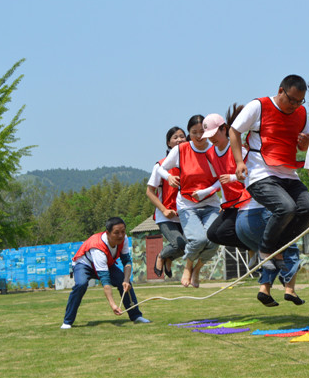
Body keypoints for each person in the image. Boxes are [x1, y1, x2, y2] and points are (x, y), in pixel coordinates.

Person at [230, 75, 309, 270]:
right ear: (280, 91)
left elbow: (304, 144)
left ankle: (279, 246)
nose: (294, 105)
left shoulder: (301, 113)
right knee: (286, 207)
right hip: (261, 174)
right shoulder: (259, 106)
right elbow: (234, 131)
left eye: (299, 101)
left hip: (288, 174)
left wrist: (305, 144)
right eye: (291, 100)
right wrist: (238, 162)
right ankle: (265, 249)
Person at [160, 115, 221, 288]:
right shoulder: (181, 150)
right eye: (194, 132)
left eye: (202, 131)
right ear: (189, 133)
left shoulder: (214, 150)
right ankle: (188, 267)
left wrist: (205, 192)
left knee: (214, 240)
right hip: (187, 205)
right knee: (199, 240)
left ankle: (197, 269)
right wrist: (169, 177)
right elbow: (160, 168)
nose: (199, 135)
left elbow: (221, 178)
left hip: (210, 204)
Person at [61, 217, 150, 329]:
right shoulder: (97, 247)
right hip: (84, 265)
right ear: (108, 233)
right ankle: (67, 321)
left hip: (107, 264)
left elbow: (126, 261)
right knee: (81, 285)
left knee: (126, 284)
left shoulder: (124, 239)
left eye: (123, 232)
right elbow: (105, 280)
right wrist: (113, 305)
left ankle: (136, 316)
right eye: (116, 233)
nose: (121, 235)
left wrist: (126, 280)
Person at [235, 198, 305, 307]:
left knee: (271, 256)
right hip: (259, 214)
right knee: (290, 249)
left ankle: (264, 291)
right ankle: (290, 290)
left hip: (240, 220)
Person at [204, 106, 252, 252]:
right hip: (229, 203)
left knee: (223, 232)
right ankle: (253, 247)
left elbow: (252, 176)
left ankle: (258, 247)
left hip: (245, 201)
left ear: (224, 129)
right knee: (212, 234)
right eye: (208, 136)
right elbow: (221, 181)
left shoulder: (238, 149)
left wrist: (232, 177)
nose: (211, 139)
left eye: (214, 134)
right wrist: (222, 203)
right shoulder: (210, 154)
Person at [145, 126, 188, 279]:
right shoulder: (161, 165)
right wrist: (163, 210)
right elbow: (149, 192)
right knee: (180, 244)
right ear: (168, 143)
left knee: (191, 244)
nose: (179, 140)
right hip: (166, 214)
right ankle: (161, 256)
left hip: (184, 212)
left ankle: (169, 257)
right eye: (175, 137)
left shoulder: (190, 163)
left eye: (182, 136)